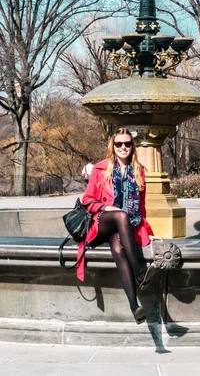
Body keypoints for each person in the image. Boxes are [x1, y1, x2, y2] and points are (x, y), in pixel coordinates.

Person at [77, 128, 155, 324]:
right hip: (102, 221)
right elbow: (87, 199)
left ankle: (135, 307)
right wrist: (106, 206)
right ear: (113, 146)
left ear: (132, 146)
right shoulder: (100, 169)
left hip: (125, 227)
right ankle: (140, 272)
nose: (123, 147)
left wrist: (148, 232)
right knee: (120, 215)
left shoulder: (139, 171)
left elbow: (142, 207)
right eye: (119, 143)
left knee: (119, 250)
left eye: (127, 144)